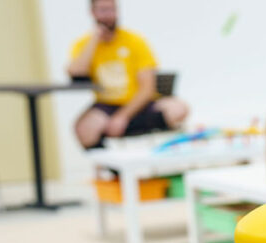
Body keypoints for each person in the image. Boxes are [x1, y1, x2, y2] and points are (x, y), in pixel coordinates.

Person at [67, 0, 188, 148]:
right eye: (103, 10)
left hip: (139, 104)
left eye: (112, 10)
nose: (108, 15)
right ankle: (110, 162)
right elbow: (76, 72)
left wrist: (122, 117)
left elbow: (147, 88)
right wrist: (94, 40)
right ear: (92, 12)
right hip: (107, 105)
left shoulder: (134, 41)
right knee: (83, 129)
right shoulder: (84, 44)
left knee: (179, 109)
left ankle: (153, 146)